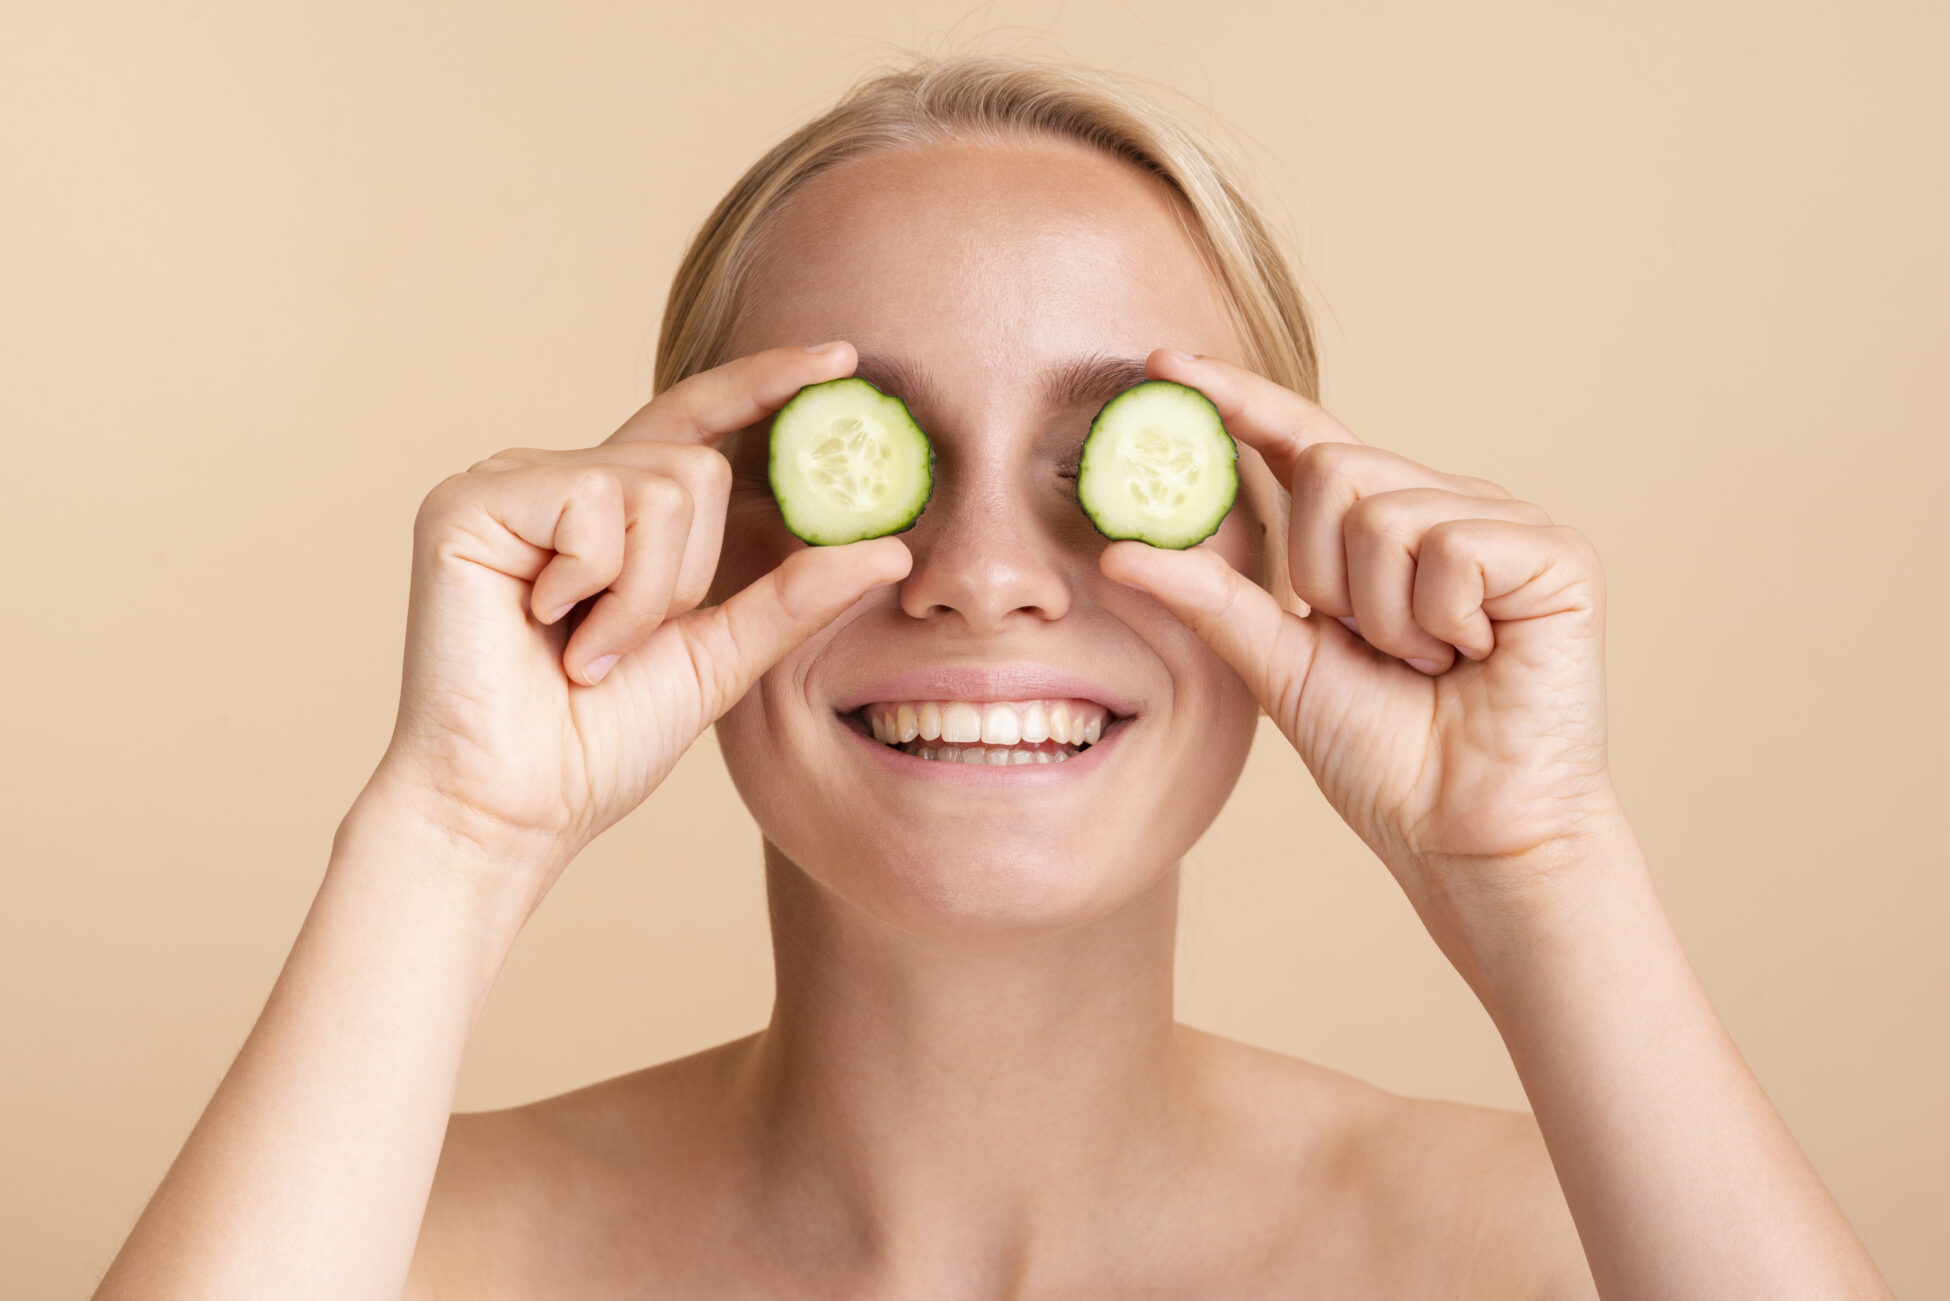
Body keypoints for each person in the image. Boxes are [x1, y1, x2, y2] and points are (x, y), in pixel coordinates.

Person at [93, 55, 1893, 1299]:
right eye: (867, 450)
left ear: (1288, 560)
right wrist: (455, 832)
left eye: (1106, 454)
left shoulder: (1553, 1245)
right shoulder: (408, 1246)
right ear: (687, 541)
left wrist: (1538, 865)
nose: (978, 580)